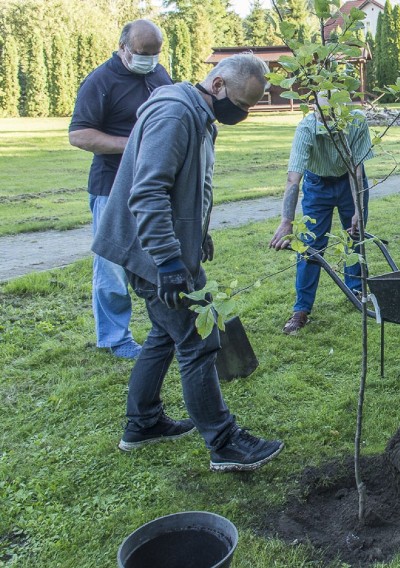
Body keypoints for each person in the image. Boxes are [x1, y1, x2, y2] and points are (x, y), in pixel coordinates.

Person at [92, 54, 283, 472]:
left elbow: (188, 187)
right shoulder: (176, 114)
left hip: (174, 248)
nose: (243, 113)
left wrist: (199, 232)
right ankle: (224, 443)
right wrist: (169, 262)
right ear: (217, 85)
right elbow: (148, 192)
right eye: (242, 103)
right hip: (155, 255)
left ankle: (142, 424)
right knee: (199, 342)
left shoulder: (196, 114)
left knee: (164, 335)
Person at [69, 19, 172, 359]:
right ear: (124, 48)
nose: (151, 59)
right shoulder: (101, 80)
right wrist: (131, 145)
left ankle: (166, 327)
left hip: (153, 184)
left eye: (156, 53)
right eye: (144, 53)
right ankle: (115, 338)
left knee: (158, 256)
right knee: (111, 265)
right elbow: (79, 134)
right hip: (110, 187)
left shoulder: (158, 75)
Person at [268, 94, 373, 334]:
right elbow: (293, 179)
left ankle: (356, 290)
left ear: (342, 110)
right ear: (314, 111)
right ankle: (301, 308)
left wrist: (359, 210)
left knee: (355, 235)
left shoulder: (356, 122)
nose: (326, 122)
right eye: (321, 116)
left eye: (332, 116)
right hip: (317, 185)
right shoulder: (306, 129)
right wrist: (287, 221)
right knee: (310, 246)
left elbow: (356, 171)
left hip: (350, 183)